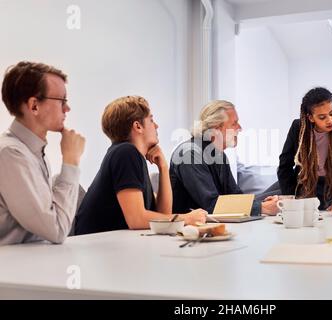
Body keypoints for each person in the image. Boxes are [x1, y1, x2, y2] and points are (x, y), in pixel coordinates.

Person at [75, 96, 206, 235]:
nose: (156, 126)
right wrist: (186, 218)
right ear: (138, 126)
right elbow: (136, 219)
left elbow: (162, 215)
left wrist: (163, 168)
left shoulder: (131, 155)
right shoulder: (125, 153)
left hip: (111, 244)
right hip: (97, 247)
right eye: (151, 120)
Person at [0, 61, 85, 245]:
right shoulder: (10, 154)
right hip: (11, 270)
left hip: (32, 265)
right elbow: (57, 230)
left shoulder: (33, 153)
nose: (67, 109)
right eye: (62, 101)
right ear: (34, 106)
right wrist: (71, 161)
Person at [170, 100, 279, 216]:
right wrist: (262, 208)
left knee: (285, 187)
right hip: (191, 229)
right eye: (234, 123)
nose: (240, 128)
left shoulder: (219, 155)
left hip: (214, 224)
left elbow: (235, 196)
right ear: (217, 128)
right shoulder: (189, 154)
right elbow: (211, 205)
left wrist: (264, 203)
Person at [278, 87, 332, 211]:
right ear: (311, 118)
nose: (330, 120)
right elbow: (284, 166)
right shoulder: (298, 128)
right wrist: (291, 199)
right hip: (303, 184)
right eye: (322, 117)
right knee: (264, 200)